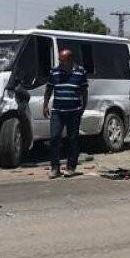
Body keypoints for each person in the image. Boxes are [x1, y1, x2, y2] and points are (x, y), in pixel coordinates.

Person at [42, 48, 88, 178]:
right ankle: (55, 168)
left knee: (72, 139)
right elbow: (49, 89)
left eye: (62, 60)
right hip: (57, 111)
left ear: (70, 60)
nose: (60, 63)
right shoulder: (55, 72)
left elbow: (84, 91)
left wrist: (83, 107)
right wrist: (45, 105)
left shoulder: (80, 72)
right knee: (54, 138)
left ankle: (71, 167)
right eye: (59, 60)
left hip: (74, 111)